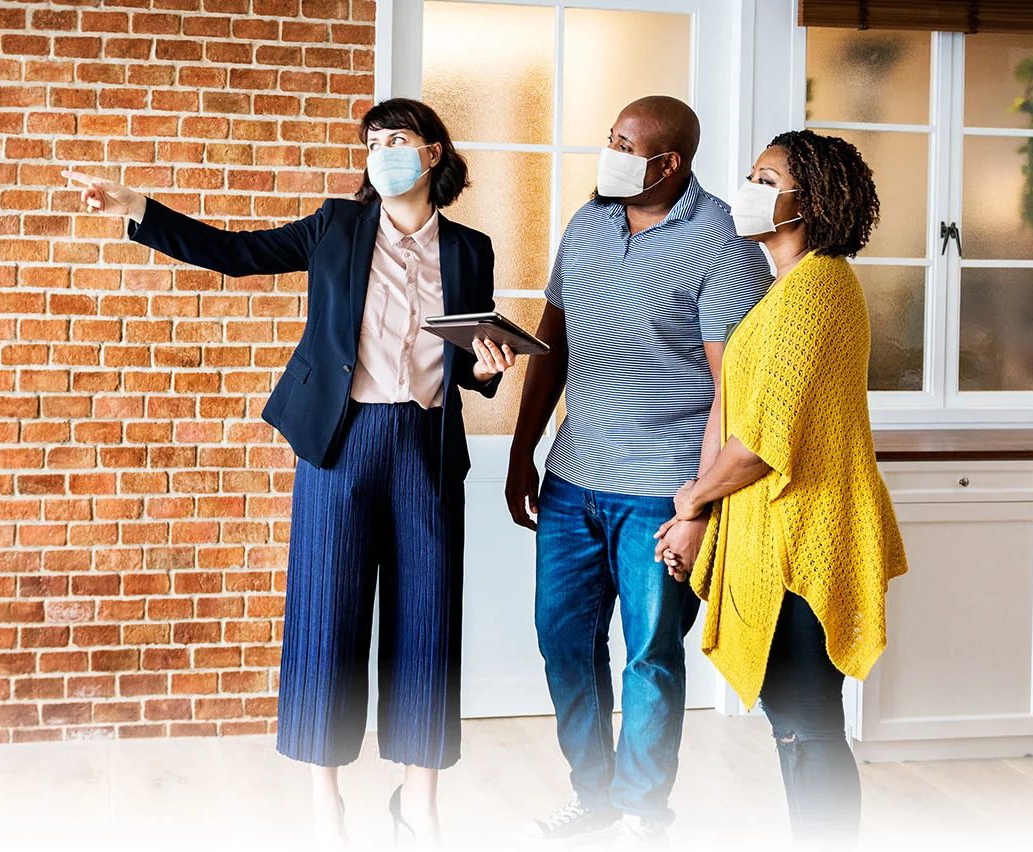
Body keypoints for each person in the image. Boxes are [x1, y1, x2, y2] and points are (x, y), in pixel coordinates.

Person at [65, 98, 519, 846]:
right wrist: (136, 207)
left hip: (427, 444)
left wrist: (489, 367)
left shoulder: (471, 250)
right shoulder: (336, 227)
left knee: (429, 619)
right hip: (340, 441)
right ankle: (325, 802)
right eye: (373, 142)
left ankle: (420, 802)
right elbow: (233, 252)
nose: (382, 152)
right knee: (326, 612)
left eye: (397, 139)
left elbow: (470, 359)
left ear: (433, 153)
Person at [505, 95, 774, 847]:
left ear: (668, 163)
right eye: (610, 139)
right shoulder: (587, 222)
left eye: (624, 145)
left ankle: (642, 814)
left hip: (661, 489)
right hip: (572, 479)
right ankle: (592, 797)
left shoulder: (724, 241)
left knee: (651, 655)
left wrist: (697, 509)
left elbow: (734, 387)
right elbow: (553, 341)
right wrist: (524, 451)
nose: (609, 153)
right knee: (562, 641)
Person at [659, 129, 908, 847]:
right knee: (797, 722)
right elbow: (741, 413)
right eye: (751, 178)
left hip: (805, 540)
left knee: (806, 722)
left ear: (813, 201)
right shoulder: (790, 289)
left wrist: (691, 501)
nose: (749, 191)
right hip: (780, 533)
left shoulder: (816, 290)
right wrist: (701, 514)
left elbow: (765, 443)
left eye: (766, 182)